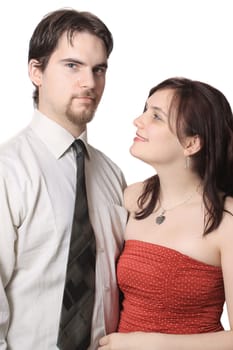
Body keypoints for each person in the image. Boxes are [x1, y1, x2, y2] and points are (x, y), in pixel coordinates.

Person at [0, 8, 127, 350]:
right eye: (72, 66)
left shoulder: (113, 176)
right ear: (36, 71)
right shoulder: (7, 171)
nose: (89, 82)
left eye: (98, 69)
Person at [98, 77, 233, 349]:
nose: (139, 120)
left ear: (191, 144)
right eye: (145, 109)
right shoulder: (133, 198)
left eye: (156, 117)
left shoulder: (225, 219)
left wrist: (150, 344)